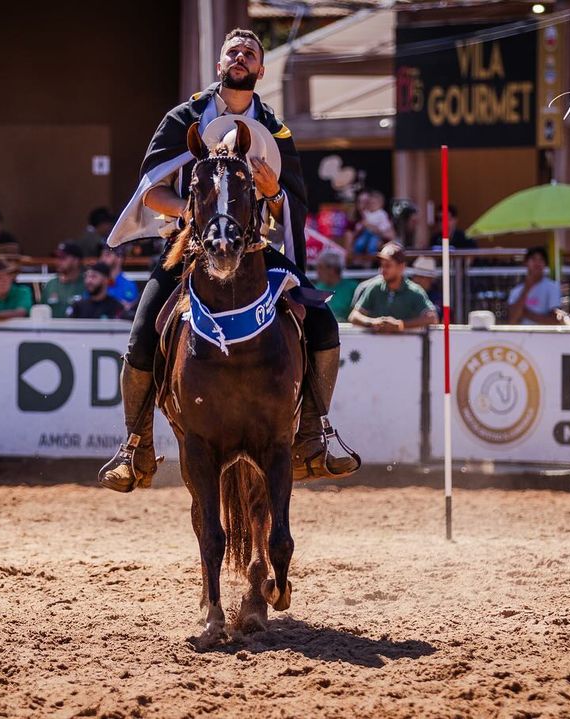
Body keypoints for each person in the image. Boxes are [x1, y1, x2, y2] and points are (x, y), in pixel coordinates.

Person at [99, 28, 357, 492]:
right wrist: (192, 213)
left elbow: (290, 207)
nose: (240, 57)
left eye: (249, 53)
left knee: (322, 322)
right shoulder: (184, 118)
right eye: (232, 52)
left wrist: (271, 189)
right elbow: (151, 191)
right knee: (141, 335)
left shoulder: (276, 131)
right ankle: (134, 445)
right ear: (219, 66)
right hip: (191, 246)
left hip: (254, 246)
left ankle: (313, 435)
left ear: (260, 69)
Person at [348, 242, 438, 332]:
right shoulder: (374, 288)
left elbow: (432, 318)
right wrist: (373, 322)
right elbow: (353, 316)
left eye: (387, 265)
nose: (383, 270)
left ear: (401, 267)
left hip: (406, 345)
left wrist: (401, 325)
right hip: (376, 345)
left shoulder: (415, 291)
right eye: (381, 265)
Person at [506, 247, 561, 325]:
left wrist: (526, 313)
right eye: (533, 259)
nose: (537, 263)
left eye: (541, 259)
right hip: (522, 336)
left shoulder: (553, 287)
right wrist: (526, 289)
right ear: (526, 263)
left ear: (545, 264)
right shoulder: (516, 291)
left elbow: (554, 321)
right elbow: (512, 321)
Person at [42, 242, 87, 318]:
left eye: (63, 258)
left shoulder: (87, 284)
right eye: (57, 257)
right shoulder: (50, 285)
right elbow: (42, 312)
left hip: (80, 328)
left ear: (76, 261)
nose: (58, 261)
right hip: (52, 328)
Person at [314, 252, 359, 322]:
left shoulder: (353, 288)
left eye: (320, 267)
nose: (317, 271)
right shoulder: (316, 288)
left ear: (332, 269)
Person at [349, 190, 396, 255]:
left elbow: (390, 236)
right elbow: (350, 244)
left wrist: (378, 230)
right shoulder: (362, 217)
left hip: (375, 237)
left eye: (365, 202)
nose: (364, 205)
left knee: (372, 245)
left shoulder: (382, 214)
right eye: (360, 202)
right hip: (365, 236)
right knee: (360, 244)